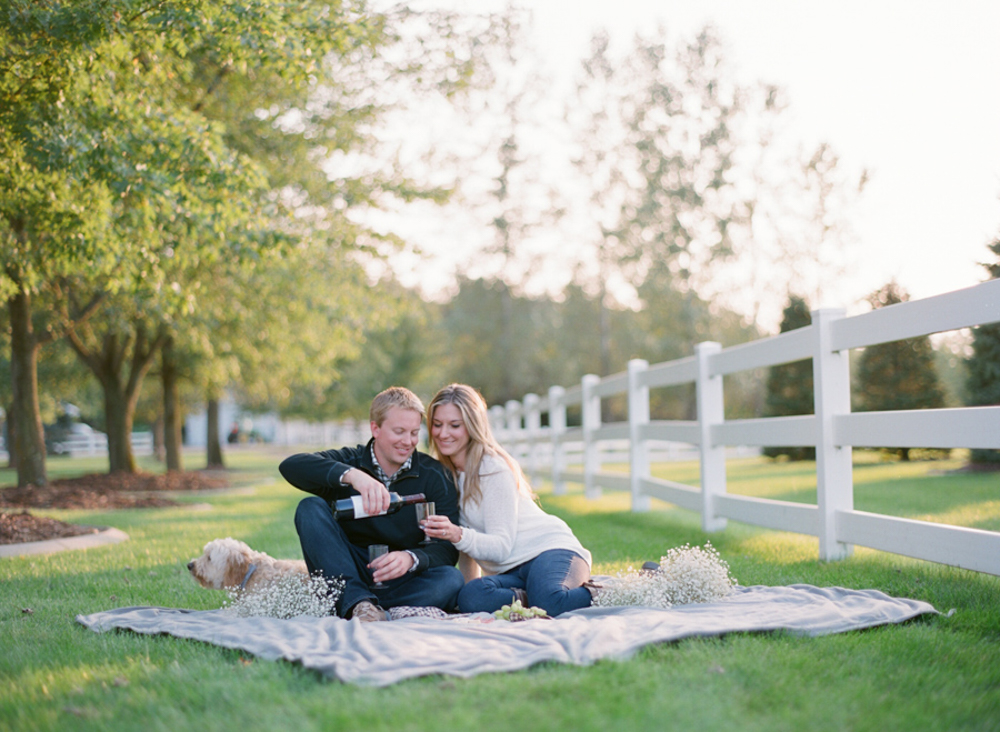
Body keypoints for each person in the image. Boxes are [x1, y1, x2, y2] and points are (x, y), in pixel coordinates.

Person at [279, 386, 464, 622]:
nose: (408, 442)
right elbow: (290, 466)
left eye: (414, 433)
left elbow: (446, 550)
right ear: (375, 428)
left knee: (451, 580)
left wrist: (411, 558)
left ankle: (358, 605)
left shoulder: (435, 476)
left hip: (401, 578)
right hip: (347, 568)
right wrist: (353, 476)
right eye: (399, 431)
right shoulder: (351, 462)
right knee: (309, 507)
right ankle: (359, 601)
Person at [420, 383, 594, 617]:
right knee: (470, 596)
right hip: (512, 573)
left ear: (472, 426)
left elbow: (500, 547)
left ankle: (613, 588)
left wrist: (456, 534)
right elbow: (467, 551)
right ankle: (536, 596)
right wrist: (470, 589)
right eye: (437, 424)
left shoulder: (493, 469)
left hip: (550, 551)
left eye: (454, 425)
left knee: (552, 604)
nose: (443, 433)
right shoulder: (445, 474)